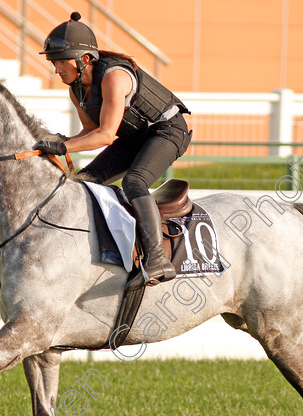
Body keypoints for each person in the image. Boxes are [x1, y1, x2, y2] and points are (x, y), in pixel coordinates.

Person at [33, 12, 192, 286]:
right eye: (53, 63)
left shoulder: (114, 77)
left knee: (134, 182)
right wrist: (60, 141)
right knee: (84, 183)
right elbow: (88, 131)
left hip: (168, 131)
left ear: (84, 60)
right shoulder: (75, 89)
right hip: (134, 138)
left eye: (60, 63)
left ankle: (157, 260)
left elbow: (105, 136)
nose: (56, 70)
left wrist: (63, 147)